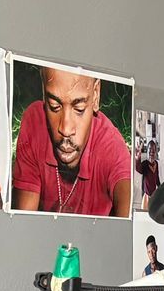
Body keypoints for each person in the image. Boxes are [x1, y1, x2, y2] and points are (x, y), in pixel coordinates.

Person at [12, 67, 131, 216]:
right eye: (54, 107)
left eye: (79, 108)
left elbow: (129, 219)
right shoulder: (34, 122)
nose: (66, 129)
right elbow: (23, 224)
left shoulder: (112, 148)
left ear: (95, 95)